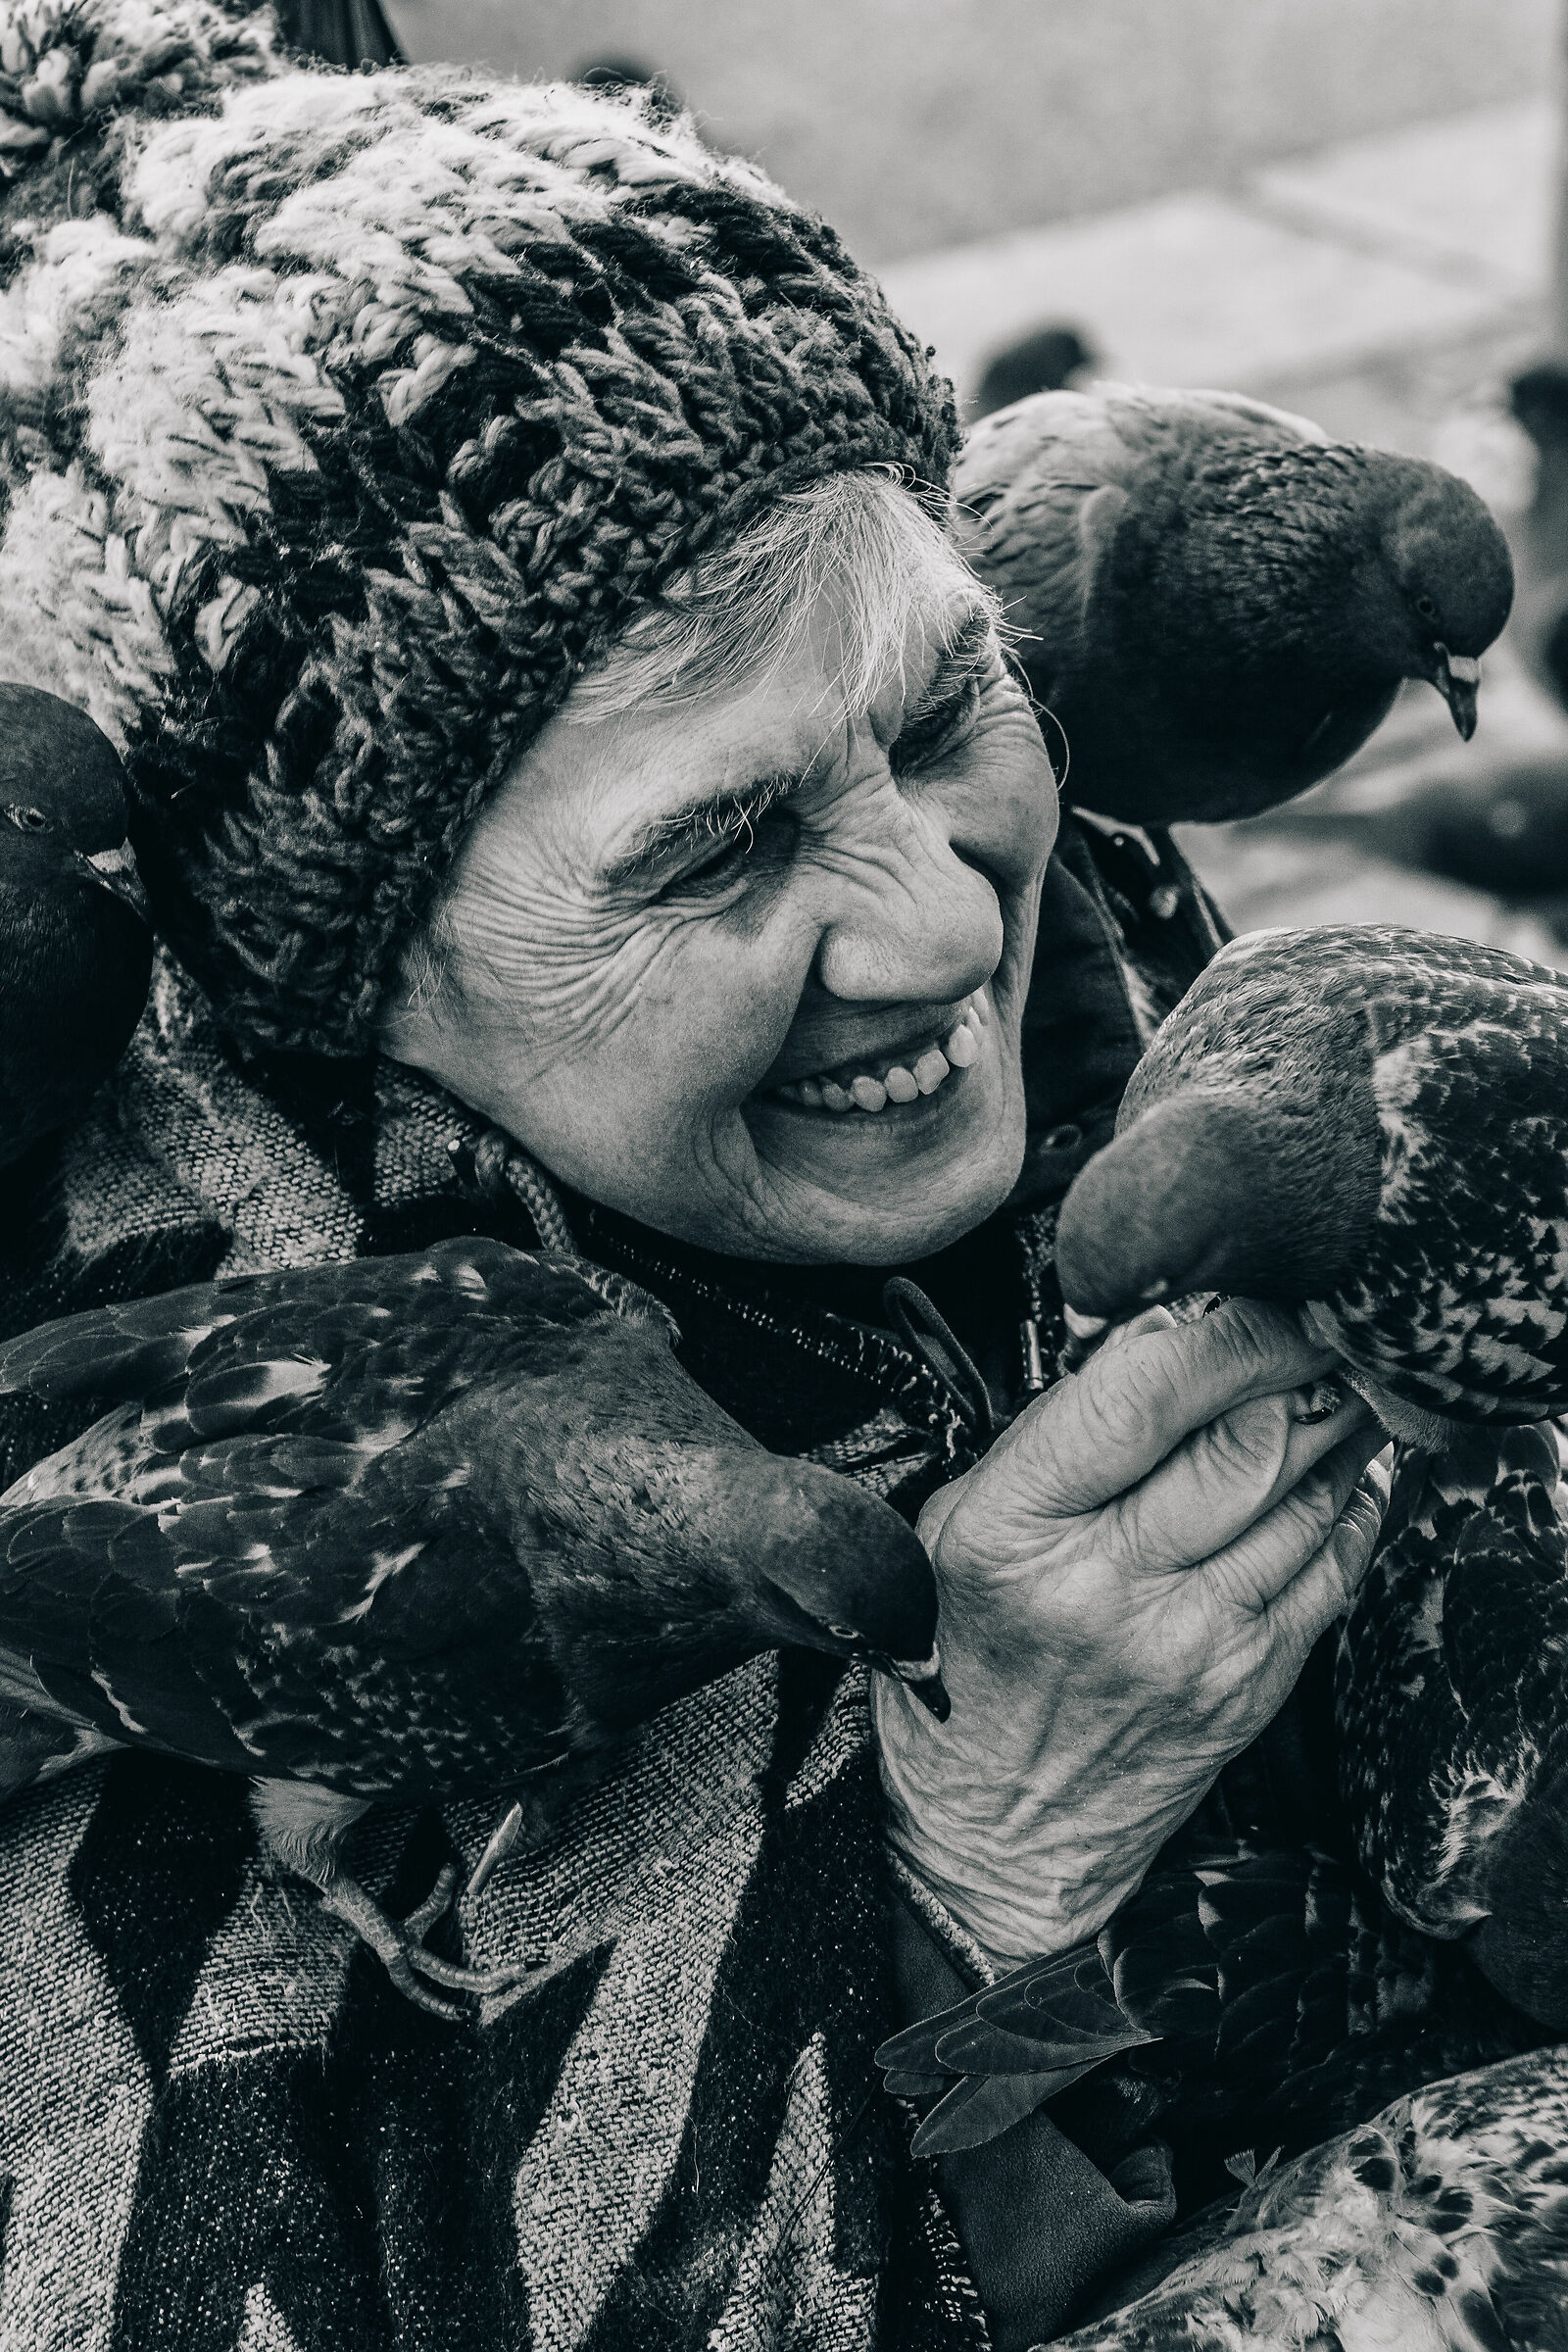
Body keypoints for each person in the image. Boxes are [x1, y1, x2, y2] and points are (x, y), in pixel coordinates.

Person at [0, 7, 1388, 2345]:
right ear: (347, 985)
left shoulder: (1119, 965)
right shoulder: (135, 1461)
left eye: (944, 707)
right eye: (723, 844)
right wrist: (976, 1866)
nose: (949, 920)